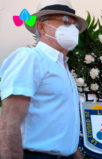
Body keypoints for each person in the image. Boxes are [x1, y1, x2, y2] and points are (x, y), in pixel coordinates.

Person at [0, 0, 87, 158]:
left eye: (75, 26)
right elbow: (9, 123)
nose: (72, 30)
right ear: (41, 26)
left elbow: (61, 126)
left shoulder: (63, 69)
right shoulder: (30, 58)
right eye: (65, 22)